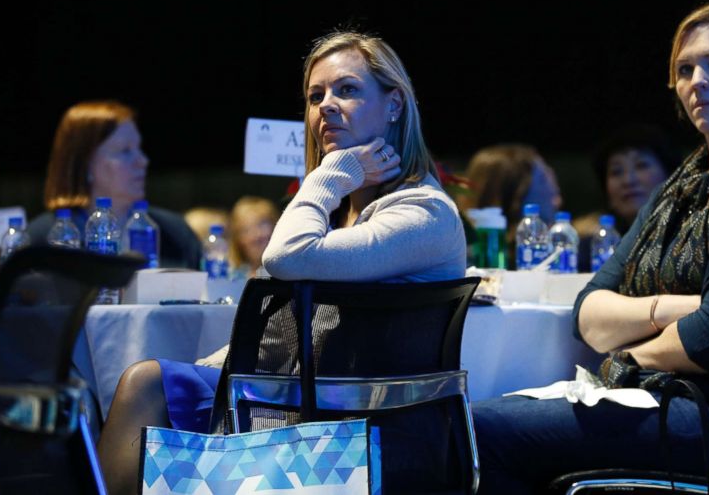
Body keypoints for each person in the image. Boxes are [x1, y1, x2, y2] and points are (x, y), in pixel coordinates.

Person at [470, 2, 709, 493]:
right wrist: (673, 310)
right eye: (685, 69)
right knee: (471, 426)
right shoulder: (678, 188)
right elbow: (588, 314)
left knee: (478, 431)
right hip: (662, 400)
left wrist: (631, 354)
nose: (697, 80)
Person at [96, 31, 467, 495]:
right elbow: (280, 329)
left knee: (146, 386)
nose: (326, 106)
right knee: (147, 381)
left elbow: (287, 256)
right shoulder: (334, 214)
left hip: (354, 426)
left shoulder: (423, 213)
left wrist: (331, 173)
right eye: (316, 96)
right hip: (298, 403)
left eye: (347, 90)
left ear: (394, 104)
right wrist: (217, 368)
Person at [28, 100, 202, 269]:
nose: (143, 161)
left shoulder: (176, 234)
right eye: (125, 151)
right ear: (85, 163)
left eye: (139, 148)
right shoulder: (42, 240)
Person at [573, 125, 680, 271]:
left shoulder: (689, 239)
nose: (628, 180)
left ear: (670, 175)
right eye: (616, 172)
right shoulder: (593, 249)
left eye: (641, 165)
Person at [456, 143, 562, 267]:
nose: (554, 191)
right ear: (515, 191)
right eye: (543, 180)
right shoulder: (464, 254)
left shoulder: (550, 249)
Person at [226, 196, 279, 278]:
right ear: (237, 239)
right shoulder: (231, 276)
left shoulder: (289, 275)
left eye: (263, 225)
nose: (257, 235)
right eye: (247, 230)